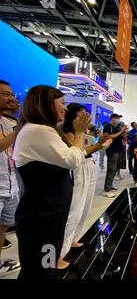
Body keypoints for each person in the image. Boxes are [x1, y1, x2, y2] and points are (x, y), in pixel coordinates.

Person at [13, 85, 91, 279]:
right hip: (41, 219)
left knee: (44, 267)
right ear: (45, 104)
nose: (65, 108)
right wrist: (79, 132)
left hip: (48, 216)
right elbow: (73, 159)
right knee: (40, 270)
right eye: (62, 103)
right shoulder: (38, 130)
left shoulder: (41, 130)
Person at [58, 103, 111, 269]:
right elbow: (77, 154)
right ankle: (59, 252)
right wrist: (96, 145)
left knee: (84, 207)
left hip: (88, 167)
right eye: (81, 113)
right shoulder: (68, 132)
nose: (86, 116)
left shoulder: (84, 132)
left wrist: (99, 144)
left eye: (86, 113)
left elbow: (87, 151)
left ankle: (71, 239)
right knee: (74, 209)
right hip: (78, 170)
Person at [0, 80, 20, 276]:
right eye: (6, 94)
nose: (12, 98)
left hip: (9, 184)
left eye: (12, 94)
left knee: (3, 227)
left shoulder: (7, 122)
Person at [103, 113, 127, 198]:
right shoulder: (107, 127)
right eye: (117, 118)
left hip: (119, 149)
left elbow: (122, 137)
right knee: (111, 169)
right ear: (112, 118)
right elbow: (109, 136)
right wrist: (121, 131)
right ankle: (107, 190)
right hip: (112, 150)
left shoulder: (117, 127)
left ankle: (110, 185)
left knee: (116, 168)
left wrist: (123, 132)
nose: (118, 119)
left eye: (119, 118)